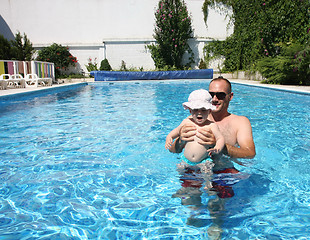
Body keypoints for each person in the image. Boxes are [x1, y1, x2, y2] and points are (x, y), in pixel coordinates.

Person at [170, 76, 256, 173]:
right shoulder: (194, 119)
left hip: (223, 170)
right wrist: (181, 140)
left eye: (220, 95)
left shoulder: (240, 122)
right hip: (193, 169)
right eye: (211, 95)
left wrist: (219, 145)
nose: (214, 99)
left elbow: (250, 153)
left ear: (230, 96)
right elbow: (173, 150)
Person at [165, 89, 225, 167]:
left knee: (207, 173)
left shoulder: (211, 125)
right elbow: (176, 131)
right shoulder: (186, 122)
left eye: (203, 110)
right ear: (190, 110)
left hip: (204, 161)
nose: (199, 113)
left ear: (209, 111)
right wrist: (169, 137)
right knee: (179, 170)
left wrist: (217, 148)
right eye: (195, 110)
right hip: (186, 160)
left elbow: (220, 138)